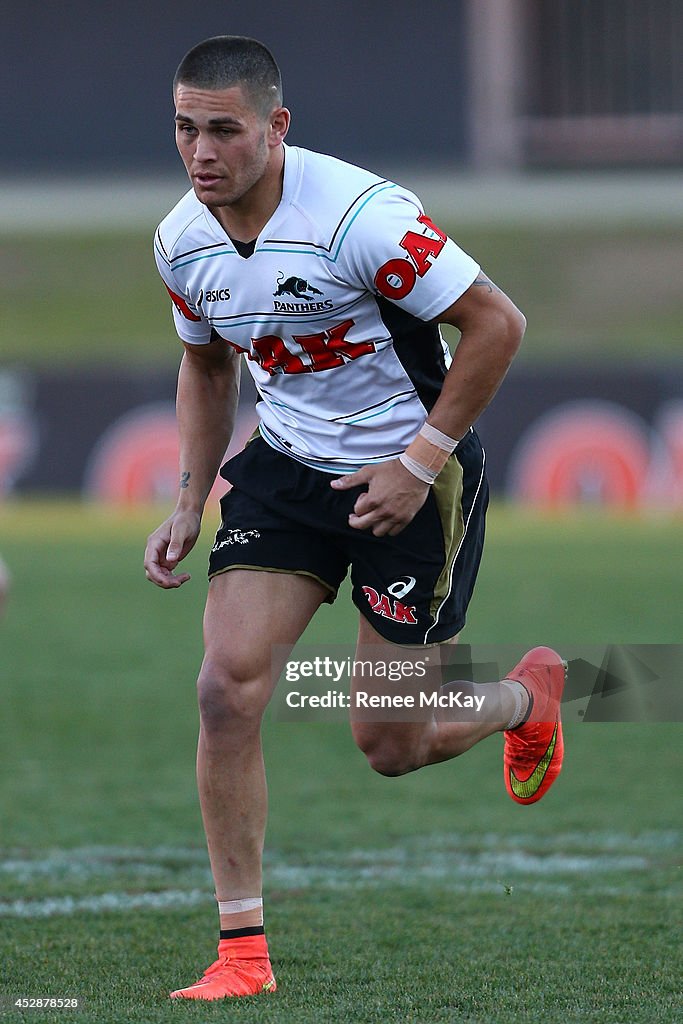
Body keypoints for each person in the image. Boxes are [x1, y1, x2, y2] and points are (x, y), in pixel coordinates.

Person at [144, 35, 566, 1001]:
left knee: (390, 743)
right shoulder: (180, 238)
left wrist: (418, 464)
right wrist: (185, 495)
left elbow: (499, 324)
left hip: (411, 473)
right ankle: (242, 956)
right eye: (184, 128)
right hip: (286, 469)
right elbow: (207, 365)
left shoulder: (361, 218)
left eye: (223, 130)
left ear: (275, 128)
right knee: (224, 691)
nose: (200, 152)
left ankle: (523, 701)